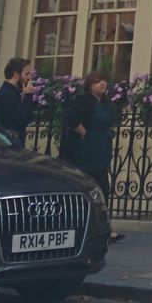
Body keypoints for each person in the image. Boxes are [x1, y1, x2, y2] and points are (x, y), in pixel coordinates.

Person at [62, 72, 124, 242]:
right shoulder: (84, 102)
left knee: (103, 190)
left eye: (104, 81)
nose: (102, 84)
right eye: (98, 82)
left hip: (101, 152)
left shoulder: (105, 103)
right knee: (87, 189)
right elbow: (71, 117)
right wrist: (83, 132)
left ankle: (104, 227)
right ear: (90, 86)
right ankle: (84, 226)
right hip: (85, 153)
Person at [0, 57, 36, 147]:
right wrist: (28, 96)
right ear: (16, 74)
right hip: (8, 146)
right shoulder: (8, 94)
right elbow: (24, 118)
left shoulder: (11, 92)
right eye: (26, 74)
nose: (30, 78)